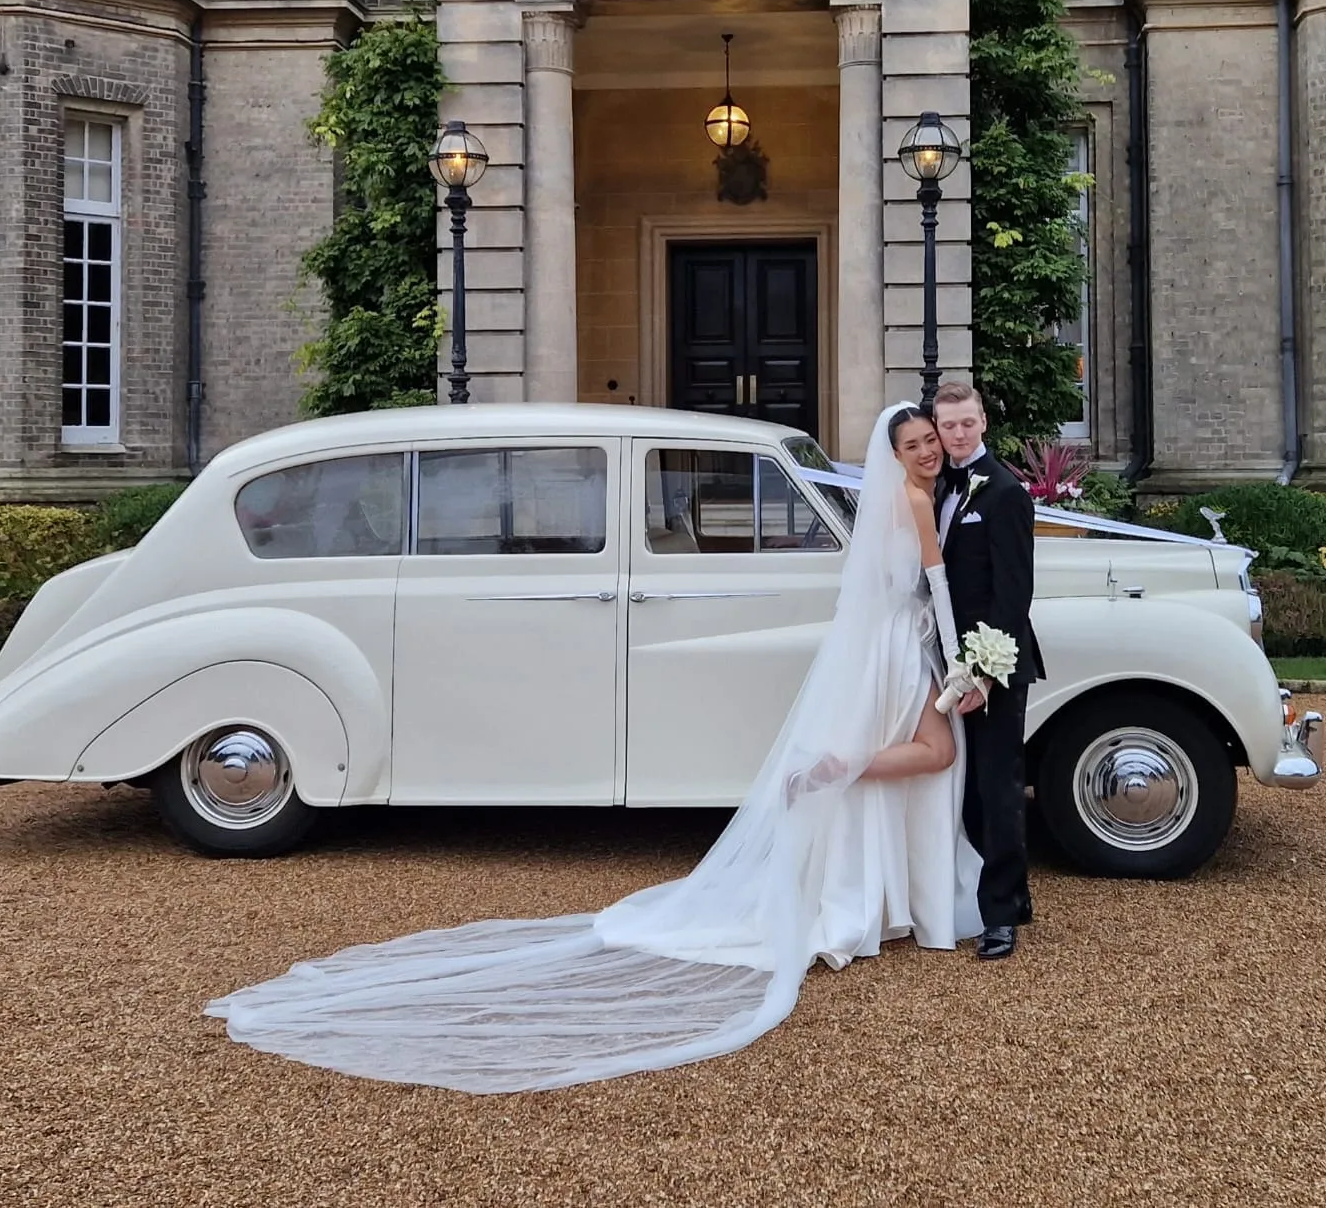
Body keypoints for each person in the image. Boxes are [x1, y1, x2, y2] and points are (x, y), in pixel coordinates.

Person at [205, 402, 983, 1094]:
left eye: (932, 439)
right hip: (894, 647)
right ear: (903, 449)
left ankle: (853, 824)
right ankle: (849, 809)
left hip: (886, 648)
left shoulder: (907, 499)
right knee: (919, 749)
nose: (926, 449)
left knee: (901, 747)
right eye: (917, 439)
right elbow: (931, 588)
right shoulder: (912, 502)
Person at [930, 382, 1046, 960]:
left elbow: (1013, 594)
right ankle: (984, 896)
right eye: (947, 425)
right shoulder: (936, 489)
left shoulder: (1004, 492)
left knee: (997, 787)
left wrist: (984, 672)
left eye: (966, 424)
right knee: (961, 786)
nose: (957, 434)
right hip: (944, 658)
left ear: (982, 424)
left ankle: (1001, 914)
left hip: (993, 664)